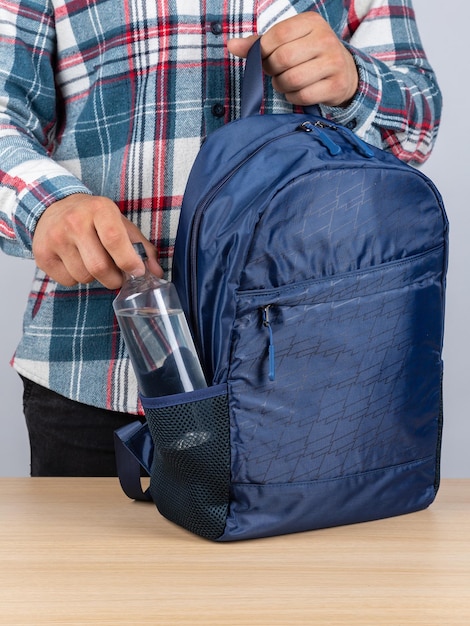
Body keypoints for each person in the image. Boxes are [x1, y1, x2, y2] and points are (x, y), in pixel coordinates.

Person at [0, 1, 442, 476]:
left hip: (318, 377)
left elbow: (416, 127)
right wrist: (48, 204)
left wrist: (356, 82)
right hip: (102, 369)